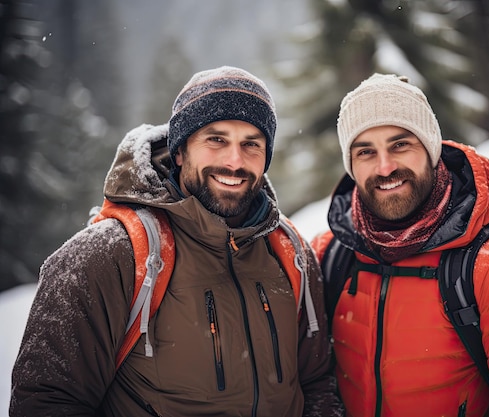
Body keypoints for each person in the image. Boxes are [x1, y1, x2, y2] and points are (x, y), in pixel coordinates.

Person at [10, 66, 344, 417]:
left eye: (252, 144)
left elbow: (317, 383)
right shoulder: (109, 253)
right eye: (216, 139)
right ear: (180, 150)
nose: (235, 160)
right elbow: (46, 401)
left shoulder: (290, 252)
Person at [311, 73, 489, 416]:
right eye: (366, 151)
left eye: (400, 144)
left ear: (431, 149)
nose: (385, 166)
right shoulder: (330, 255)